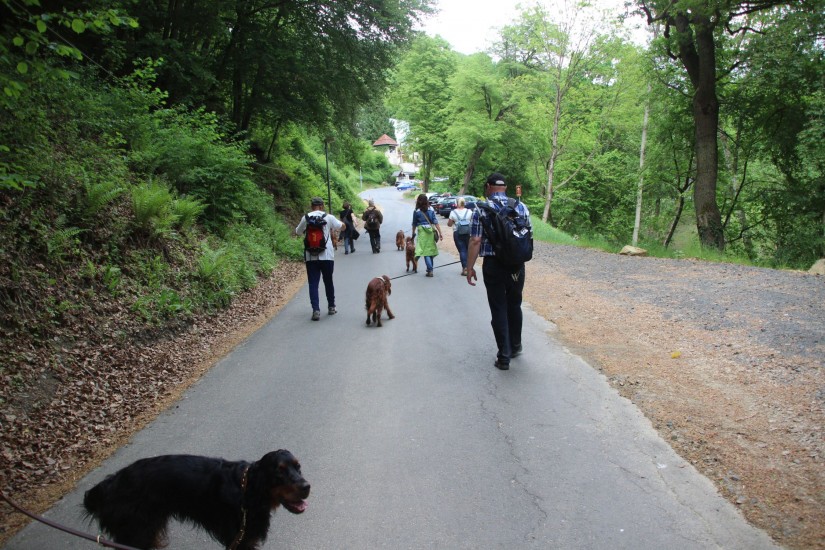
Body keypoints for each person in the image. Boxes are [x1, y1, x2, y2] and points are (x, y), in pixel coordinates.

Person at [465, 173, 531, 370]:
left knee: (498, 307)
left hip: (494, 265)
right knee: (515, 305)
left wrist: (469, 267)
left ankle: (504, 357)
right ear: (505, 187)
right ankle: (516, 346)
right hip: (517, 265)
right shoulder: (520, 206)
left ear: (488, 187)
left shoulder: (481, 209)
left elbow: (475, 240)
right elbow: (528, 235)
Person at [295, 197, 344, 321]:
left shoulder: (306, 218)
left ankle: (316, 310)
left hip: (310, 256)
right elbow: (341, 227)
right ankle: (331, 307)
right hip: (327, 255)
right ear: (322, 206)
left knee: (313, 283)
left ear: (312, 206)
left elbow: (298, 232)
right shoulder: (329, 217)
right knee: (328, 281)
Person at [411, 193, 442, 277]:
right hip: (430, 231)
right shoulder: (431, 209)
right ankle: (430, 269)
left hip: (422, 232)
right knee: (430, 250)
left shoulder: (416, 211)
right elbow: (435, 221)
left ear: (418, 201)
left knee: (425, 252)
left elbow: (414, 223)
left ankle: (430, 270)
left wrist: (413, 232)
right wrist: (440, 232)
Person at [447, 197, 472, 276]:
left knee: (462, 250)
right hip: (468, 233)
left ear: (456, 203)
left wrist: (455, 221)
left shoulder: (453, 212)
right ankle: (470, 268)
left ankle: (465, 268)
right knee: (468, 250)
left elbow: (449, 224)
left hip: (457, 232)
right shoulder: (469, 211)